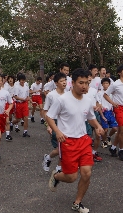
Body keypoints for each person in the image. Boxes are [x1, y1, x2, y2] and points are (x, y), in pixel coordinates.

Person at [46, 68, 104, 213]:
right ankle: (56, 176)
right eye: (81, 83)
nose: (84, 86)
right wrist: (57, 131)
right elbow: (49, 116)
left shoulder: (88, 100)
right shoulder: (62, 99)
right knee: (71, 177)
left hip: (83, 140)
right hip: (67, 141)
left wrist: (97, 126)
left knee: (87, 173)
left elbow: (90, 117)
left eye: (86, 83)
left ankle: (77, 203)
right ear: (73, 83)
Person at [42, 72, 67, 172]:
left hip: (65, 123)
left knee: (63, 147)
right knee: (59, 148)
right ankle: (48, 158)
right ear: (56, 83)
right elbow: (45, 111)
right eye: (61, 81)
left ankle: (58, 168)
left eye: (65, 80)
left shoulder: (68, 94)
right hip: (54, 122)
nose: (64, 83)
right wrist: (48, 125)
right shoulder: (51, 95)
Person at [85, 71, 102, 162]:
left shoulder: (94, 90)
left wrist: (98, 106)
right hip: (85, 115)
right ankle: (87, 154)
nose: (89, 79)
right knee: (88, 136)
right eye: (87, 77)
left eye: (90, 78)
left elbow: (98, 102)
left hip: (94, 114)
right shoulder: (80, 91)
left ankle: (94, 152)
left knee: (98, 135)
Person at [97, 78, 118, 148]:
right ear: (102, 85)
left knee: (115, 128)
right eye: (104, 83)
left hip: (110, 112)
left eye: (107, 83)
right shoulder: (99, 93)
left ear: (109, 84)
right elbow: (99, 104)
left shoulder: (111, 94)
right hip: (104, 112)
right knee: (105, 129)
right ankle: (104, 141)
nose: (105, 85)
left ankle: (108, 137)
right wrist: (102, 115)